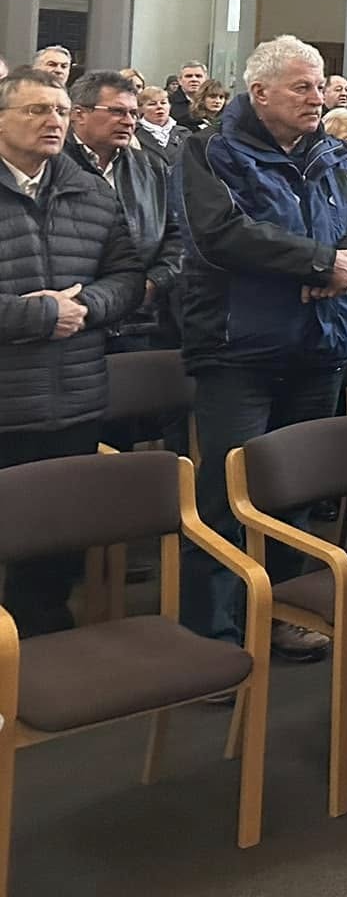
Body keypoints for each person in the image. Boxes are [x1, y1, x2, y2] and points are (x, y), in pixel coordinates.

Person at [178, 36, 347, 656]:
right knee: (229, 493)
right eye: (302, 86)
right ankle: (214, 637)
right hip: (239, 348)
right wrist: (318, 262)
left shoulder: (335, 153)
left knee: (293, 487)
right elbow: (223, 233)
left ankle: (281, 610)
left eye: (320, 85)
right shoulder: (210, 151)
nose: (317, 96)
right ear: (260, 92)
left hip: (322, 343)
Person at [0, 69, 145, 635]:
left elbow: (128, 276)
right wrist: (39, 315)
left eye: (60, 111)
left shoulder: (90, 191)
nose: (53, 121)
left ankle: (41, 641)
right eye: (36, 110)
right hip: (8, 401)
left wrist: (86, 306)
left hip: (74, 397)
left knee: (55, 544)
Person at [65, 71, 184, 353]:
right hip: (72, 319)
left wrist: (155, 282)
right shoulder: (53, 167)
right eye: (117, 112)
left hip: (141, 321)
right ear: (79, 114)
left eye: (133, 113)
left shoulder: (151, 168)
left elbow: (178, 235)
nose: (129, 121)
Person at [135, 84, 187, 160]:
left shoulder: (185, 133)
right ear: (140, 109)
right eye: (152, 104)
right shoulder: (134, 134)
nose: (159, 107)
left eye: (163, 103)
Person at [170, 60, 210, 128]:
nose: (194, 79)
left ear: (206, 79)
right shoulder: (169, 103)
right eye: (188, 76)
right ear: (180, 80)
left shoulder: (216, 101)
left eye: (198, 76)